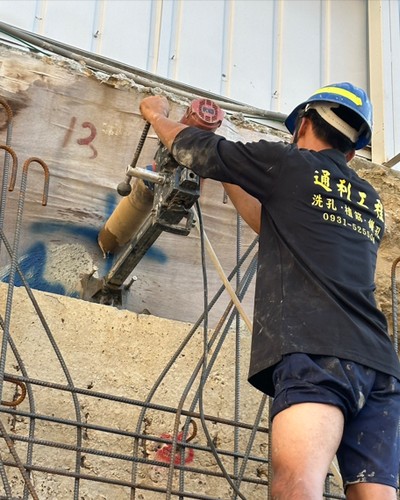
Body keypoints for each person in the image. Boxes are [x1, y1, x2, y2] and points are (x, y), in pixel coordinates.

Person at [139, 82, 400, 500]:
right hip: (379, 368)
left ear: (305, 124)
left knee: (297, 482)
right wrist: (230, 178)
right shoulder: (369, 201)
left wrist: (155, 113)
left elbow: (191, 145)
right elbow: (272, 221)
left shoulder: (288, 163)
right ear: (352, 152)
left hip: (318, 353)